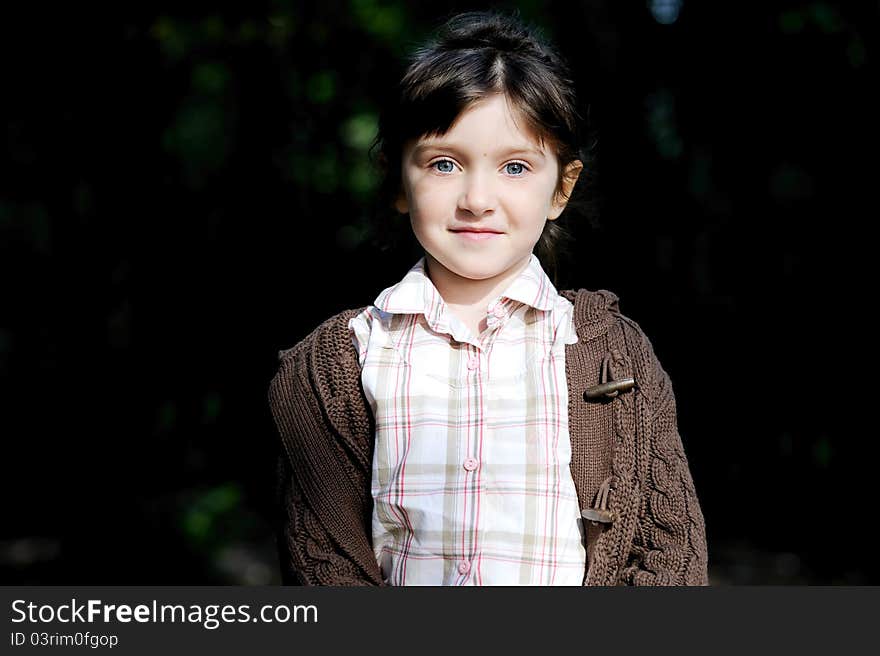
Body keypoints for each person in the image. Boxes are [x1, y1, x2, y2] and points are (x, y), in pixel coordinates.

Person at [269, 10, 708, 586]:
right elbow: (323, 562)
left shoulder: (615, 356)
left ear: (561, 188)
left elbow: (667, 551)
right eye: (444, 164)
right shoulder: (335, 366)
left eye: (516, 167)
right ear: (397, 180)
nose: (478, 198)